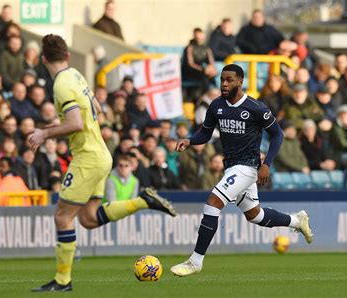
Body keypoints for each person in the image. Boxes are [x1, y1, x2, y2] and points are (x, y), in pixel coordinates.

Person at [28, 34, 176, 292]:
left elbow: (75, 123)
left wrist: (45, 133)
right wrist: (67, 125)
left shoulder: (61, 84)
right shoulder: (75, 75)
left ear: (43, 59)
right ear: (67, 56)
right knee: (88, 218)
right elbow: (96, 107)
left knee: (63, 216)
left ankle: (63, 281)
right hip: (101, 153)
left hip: (87, 157)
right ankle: (143, 200)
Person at [171, 64, 312, 277]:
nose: (224, 84)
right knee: (255, 215)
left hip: (248, 167)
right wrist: (189, 140)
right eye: (222, 80)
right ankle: (296, 220)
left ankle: (195, 261)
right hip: (231, 167)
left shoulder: (256, 108)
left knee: (213, 202)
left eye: (229, 80)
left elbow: (278, 135)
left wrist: (267, 164)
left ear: (240, 81)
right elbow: (205, 134)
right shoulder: (216, 105)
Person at [181, 28, 217, 100]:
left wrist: (212, 69)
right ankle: (203, 98)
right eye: (197, 36)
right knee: (204, 76)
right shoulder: (190, 47)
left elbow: (211, 62)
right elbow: (190, 64)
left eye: (200, 35)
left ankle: (216, 96)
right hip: (190, 72)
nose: (199, 38)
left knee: (214, 74)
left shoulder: (206, 48)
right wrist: (204, 69)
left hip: (202, 71)